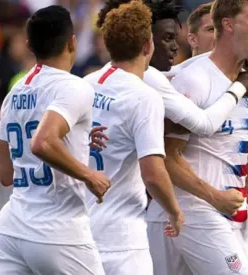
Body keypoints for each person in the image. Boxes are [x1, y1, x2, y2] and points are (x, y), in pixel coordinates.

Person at [94, 0, 248, 224]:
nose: (175, 46)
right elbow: (205, 125)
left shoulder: (95, 80)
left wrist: (242, 55)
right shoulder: (148, 86)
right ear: (147, 44)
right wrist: (240, 85)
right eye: (167, 38)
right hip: (126, 218)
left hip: (96, 208)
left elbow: (176, 70)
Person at [146, 0, 248, 274]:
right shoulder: (194, 80)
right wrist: (214, 197)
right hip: (193, 210)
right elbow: (166, 158)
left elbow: (233, 157)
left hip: (227, 213)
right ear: (228, 25)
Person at [0, 5, 110, 275]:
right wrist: (89, 175)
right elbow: (42, 142)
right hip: (57, 230)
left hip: (12, 229)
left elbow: (6, 174)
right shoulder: (74, 86)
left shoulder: (15, 91)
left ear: (29, 45)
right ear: (72, 41)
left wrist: (78, 139)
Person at [84, 2, 184, 275]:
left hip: (80, 232)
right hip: (122, 240)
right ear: (148, 46)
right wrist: (175, 211)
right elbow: (152, 174)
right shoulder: (144, 97)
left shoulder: (86, 83)